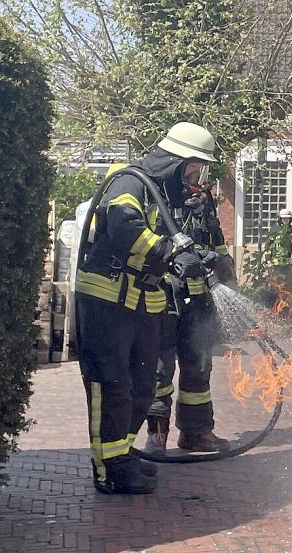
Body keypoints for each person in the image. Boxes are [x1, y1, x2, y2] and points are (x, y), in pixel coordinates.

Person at [75, 122, 218, 493]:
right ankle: (109, 471)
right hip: (108, 299)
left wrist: (196, 255)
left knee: (142, 387)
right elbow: (124, 226)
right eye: (194, 166)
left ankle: (122, 454)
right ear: (179, 160)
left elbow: (172, 238)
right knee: (112, 384)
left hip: (141, 299)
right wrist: (168, 252)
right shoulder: (130, 182)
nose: (194, 175)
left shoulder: (163, 195)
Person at [145, 170, 235, 455]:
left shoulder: (204, 197)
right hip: (166, 295)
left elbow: (215, 235)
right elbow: (153, 241)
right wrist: (199, 255)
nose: (198, 171)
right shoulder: (156, 195)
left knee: (199, 365)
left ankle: (196, 432)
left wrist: (224, 263)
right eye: (194, 165)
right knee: (161, 369)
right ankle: (157, 435)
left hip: (199, 297)